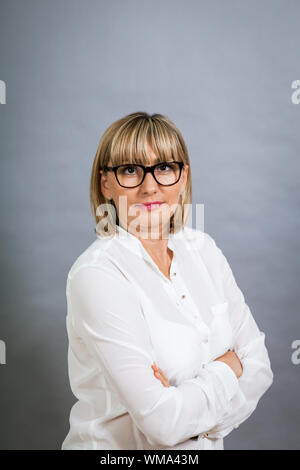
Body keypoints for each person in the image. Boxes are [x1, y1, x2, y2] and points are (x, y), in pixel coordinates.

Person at [61, 111, 273, 450]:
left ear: (183, 177)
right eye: (130, 170)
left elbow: (260, 369)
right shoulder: (97, 274)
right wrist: (227, 368)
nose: (149, 187)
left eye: (164, 168)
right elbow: (162, 424)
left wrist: (184, 408)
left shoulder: (204, 250)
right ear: (106, 183)